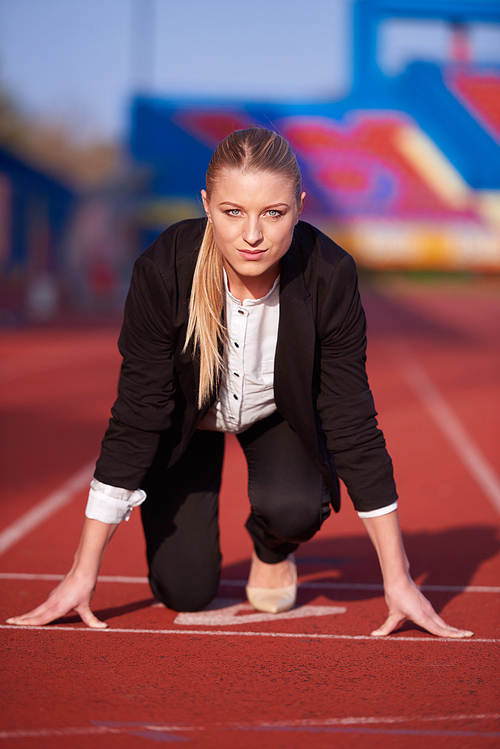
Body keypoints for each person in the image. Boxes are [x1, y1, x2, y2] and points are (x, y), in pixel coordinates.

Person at [7, 127, 472, 637]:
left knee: (293, 508)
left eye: (273, 213)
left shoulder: (330, 275)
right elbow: (138, 416)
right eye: (233, 212)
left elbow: (352, 421)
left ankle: (271, 548)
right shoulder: (164, 271)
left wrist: (398, 577)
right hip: (187, 420)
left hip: (278, 413)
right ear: (206, 205)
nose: (253, 235)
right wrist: (82, 571)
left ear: (299, 206)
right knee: (183, 589)